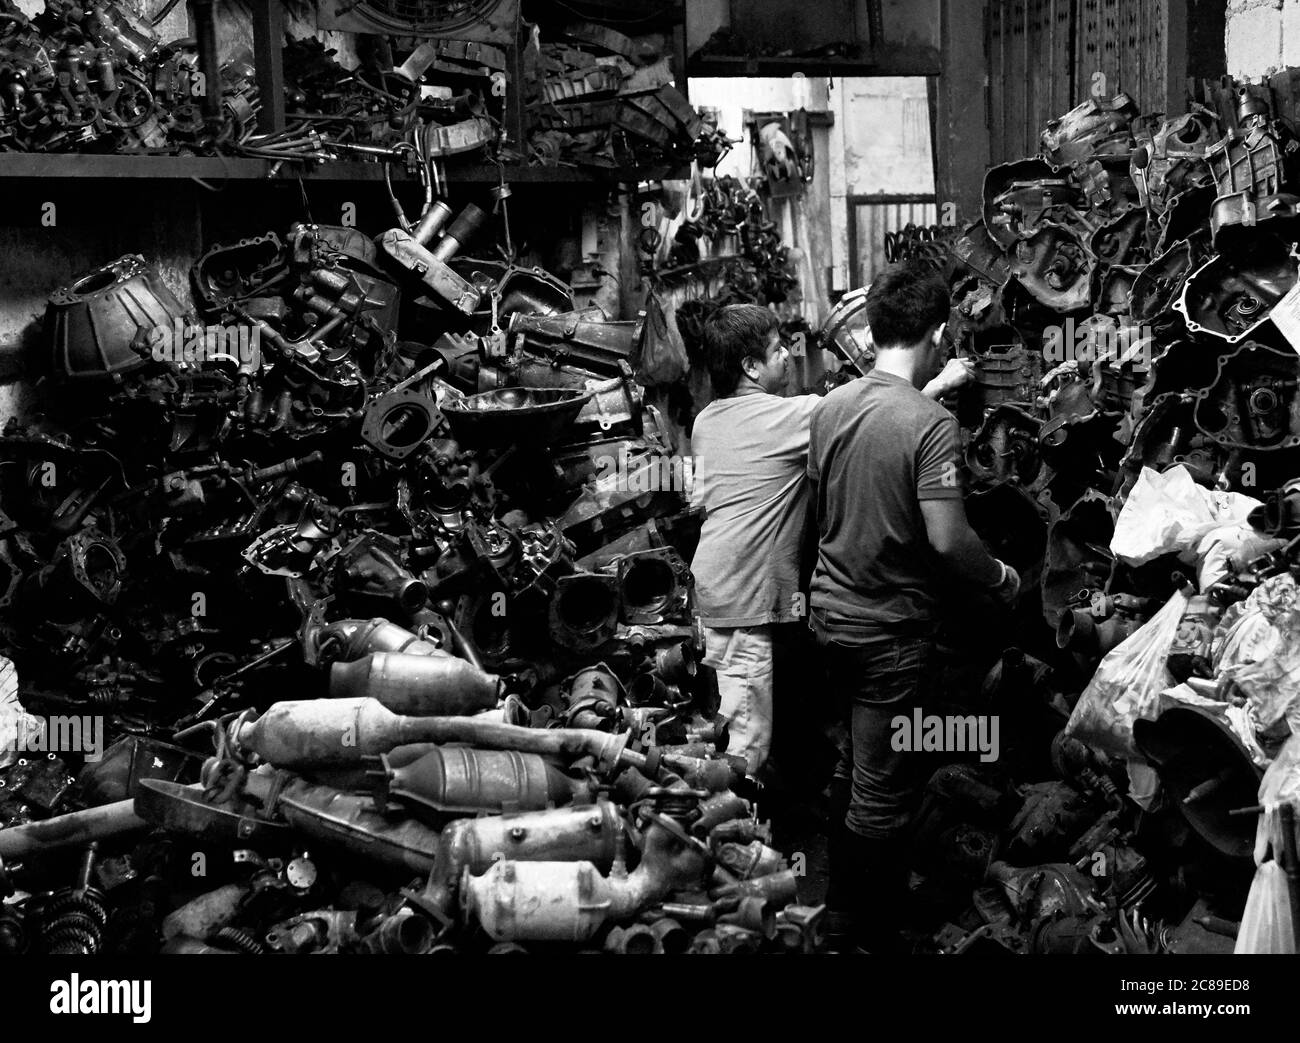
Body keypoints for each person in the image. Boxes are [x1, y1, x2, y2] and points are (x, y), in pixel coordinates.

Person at [806, 262, 1019, 953]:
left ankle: (837, 911)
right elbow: (948, 537)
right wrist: (1000, 576)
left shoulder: (831, 408)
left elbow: (828, 505)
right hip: (887, 632)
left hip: (829, 618)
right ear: (935, 333)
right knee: (882, 792)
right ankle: (864, 935)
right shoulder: (929, 424)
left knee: (853, 765)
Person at [690, 301, 974, 778]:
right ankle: (728, 841)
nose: (787, 357)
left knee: (727, 722)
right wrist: (943, 381)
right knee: (742, 750)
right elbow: (878, 415)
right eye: (777, 350)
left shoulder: (706, 421)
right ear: (750, 367)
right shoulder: (795, 417)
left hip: (708, 591)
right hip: (742, 604)